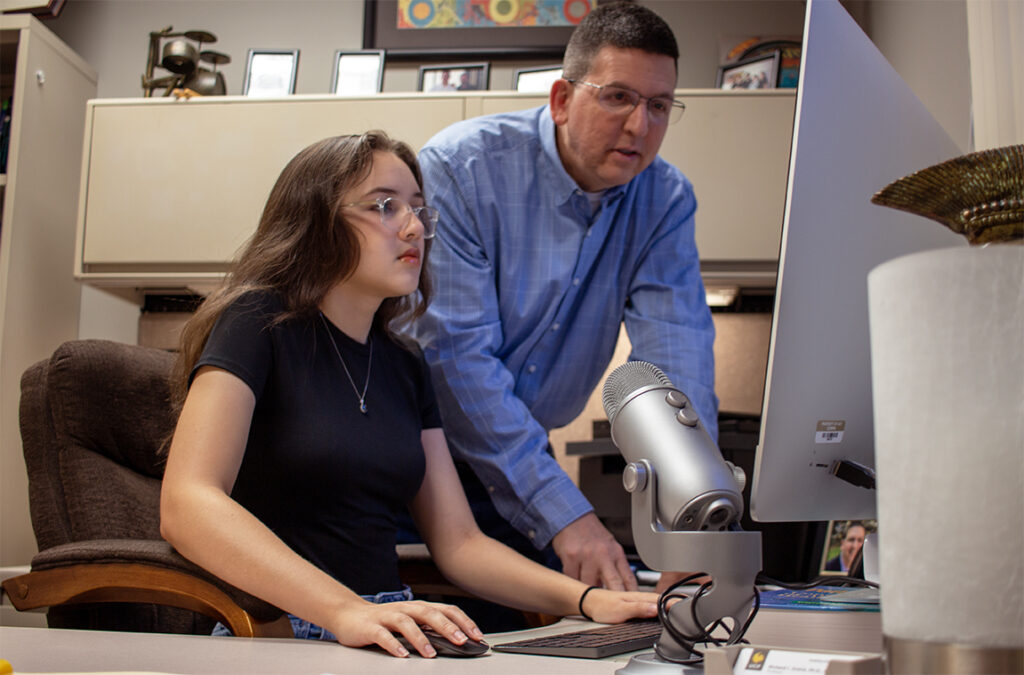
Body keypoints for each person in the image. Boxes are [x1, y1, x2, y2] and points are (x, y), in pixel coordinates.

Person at [159, 132, 659, 658]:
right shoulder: (257, 321)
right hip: (276, 630)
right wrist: (345, 610)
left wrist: (589, 600)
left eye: (419, 210)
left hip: (389, 626)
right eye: (384, 206)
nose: (415, 226)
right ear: (316, 222)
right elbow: (188, 503)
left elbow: (460, 546)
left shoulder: (406, 363)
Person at [410, 1, 717, 596]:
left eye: (658, 106)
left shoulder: (665, 198)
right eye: (618, 97)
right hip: (421, 462)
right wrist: (567, 515)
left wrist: (690, 517)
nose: (640, 126)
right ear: (560, 100)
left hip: (523, 459)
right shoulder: (461, 167)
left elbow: (676, 359)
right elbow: (456, 359)